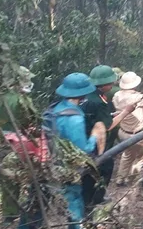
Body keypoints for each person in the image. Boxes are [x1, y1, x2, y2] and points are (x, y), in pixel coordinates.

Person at [0, 66, 40, 226]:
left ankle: (9, 215)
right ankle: (31, 212)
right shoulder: (22, 100)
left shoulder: (0, 98)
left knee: (8, 180)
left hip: (2, 144)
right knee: (33, 178)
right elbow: (31, 123)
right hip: (20, 143)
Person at [53, 73, 100, 229]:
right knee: (74, 201)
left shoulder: (55, 108)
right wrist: (94, 137)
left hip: (48, 163)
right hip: (68, 168)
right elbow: (82, 150)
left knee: (37, 206)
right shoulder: (74, 117)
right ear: (83, 94)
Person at [80, 65, 132, 208]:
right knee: (104, 167)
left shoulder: (87, 95)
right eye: (111, 82)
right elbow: (107, 126)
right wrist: (125, 112)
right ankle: (94, 199)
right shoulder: (99, 101)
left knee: (88, 171)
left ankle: (87, 199)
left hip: (84, 138)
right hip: (95, 141)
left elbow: (93, 117)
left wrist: (109, 116)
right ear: (104, 85)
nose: (113, 84)